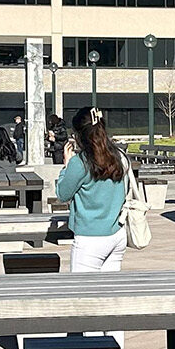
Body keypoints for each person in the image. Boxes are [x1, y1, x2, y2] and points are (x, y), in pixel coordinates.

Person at [56, 108, 129, 271]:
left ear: (79, 135)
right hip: (117, 233)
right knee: (109, 292)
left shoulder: (80, 163)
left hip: (90, 238)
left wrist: (66, 167)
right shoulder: (120, 156)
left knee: (83, 293)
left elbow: (62, 193)